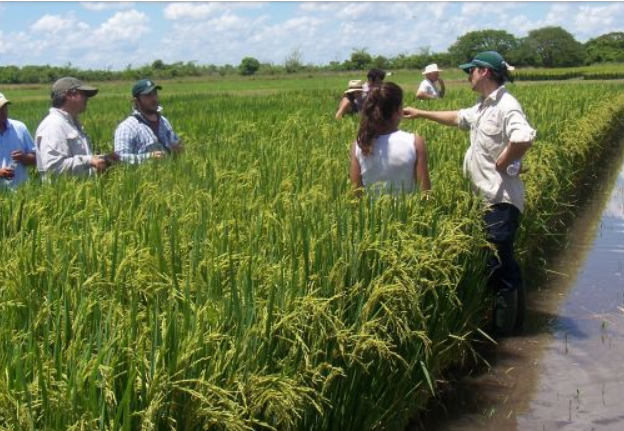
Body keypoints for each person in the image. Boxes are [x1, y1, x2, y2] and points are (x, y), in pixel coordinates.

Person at [403, 51, 536, 337]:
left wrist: (504, 162)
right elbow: (458, 118)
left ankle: (503, 334)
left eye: (471, 71)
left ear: (485, 72)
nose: (468, 76)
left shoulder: (506, 105)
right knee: (504, 263)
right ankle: (516, 328)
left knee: (497, 265)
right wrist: (421, 113)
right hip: (487, 199)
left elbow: (524, 136)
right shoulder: (483, 106)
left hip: (499, 200)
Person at [350, 82, 431, 196]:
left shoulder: (359, 144)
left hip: (371, 208)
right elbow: (425, 194)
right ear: (398, 110)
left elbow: (356, 195)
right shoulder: (415, 142)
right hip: (408, 207)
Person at [35, 77, 115, 178]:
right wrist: (90, 160)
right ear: (69, 95)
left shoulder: (70, 123)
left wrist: (103, 159)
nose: (87, 98)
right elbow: (54, 168)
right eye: (83, 94)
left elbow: (79, 159)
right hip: (62, 188)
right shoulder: (53, 125)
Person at [114, 79, 183, 164]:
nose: (154, 98)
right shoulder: (127, 127)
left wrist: (178, 149)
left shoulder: (164, 121)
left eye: (155, 94)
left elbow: (176, 144)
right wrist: (148, 157)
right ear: (136, 101)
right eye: (148, 95)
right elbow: (119, 158)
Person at [0, 92, 36, 190]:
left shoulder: (20, 128)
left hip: (20, 193)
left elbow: (36, 159)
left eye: (4, 106)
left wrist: (23, 157)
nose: (3, 111)